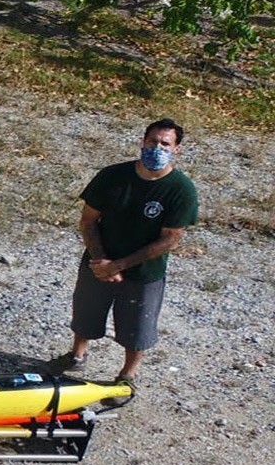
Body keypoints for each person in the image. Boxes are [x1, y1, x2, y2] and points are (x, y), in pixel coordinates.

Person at [49, 118, 199, 385]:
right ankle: (76, 355)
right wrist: (100, 260)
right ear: (142, 142)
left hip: (144, 272)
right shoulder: (112, 176)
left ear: (177, 150)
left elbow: (170, 240)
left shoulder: (181, 190)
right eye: (153, 141)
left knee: (137, 327)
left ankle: (128, 373)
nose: (157, 148)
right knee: (85, 313)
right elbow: (88, 220)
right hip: (99, 261)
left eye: (165, 144)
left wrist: (118, 266)